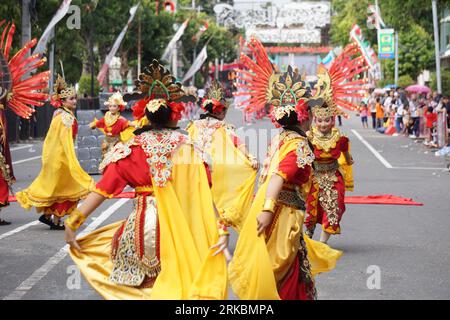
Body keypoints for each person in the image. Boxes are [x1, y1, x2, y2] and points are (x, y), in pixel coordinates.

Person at [64, 60, 228, 300]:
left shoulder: (130, 148)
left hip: (139, 232)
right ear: (174, 116)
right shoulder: (189, 150)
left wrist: (73, 222)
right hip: (179, 232)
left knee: (141, 292)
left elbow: (102, 189)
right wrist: (220, 229)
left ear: (144, 116)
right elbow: (205, 196)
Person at [228, 67, 342, 300]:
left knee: (289, 266)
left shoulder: (282, 138)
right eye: (310, 113)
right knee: (283, 268)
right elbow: (280, 175)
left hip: (285, 212)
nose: (313, 118)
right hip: (284, 215)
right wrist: (268, 210)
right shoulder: (298, 143)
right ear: (303, 116)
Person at [16, 75, 94, 230]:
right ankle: (55, 220)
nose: (74, 101)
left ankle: (49, 217)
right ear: (63, 101)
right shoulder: (65, 117)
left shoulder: (59, 113)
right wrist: (72, 160)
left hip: (55, 157)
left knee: (60, 189)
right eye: (71, 99)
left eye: (74, 98)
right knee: (67, 189)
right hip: (62, 158)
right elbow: (65, 141)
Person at [187, 81, 258, 231]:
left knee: (198, 205)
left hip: (194, 171)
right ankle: (218, 235)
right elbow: (238, 144)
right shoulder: (224, 127)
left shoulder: (194, 125)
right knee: (215, 206)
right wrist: (251, 157)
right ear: (220, 112)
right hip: (215, 172)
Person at [304, 71, 354, 244]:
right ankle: (307, 238)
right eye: (320, 120)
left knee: (334, 208)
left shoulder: (340, 139)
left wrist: (348, 161)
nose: (324, 124)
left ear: (333, 120)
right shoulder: (309, 137)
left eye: (327, 120)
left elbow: (347, 157)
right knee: (312, 210)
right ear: (315, 120)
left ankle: (322, 243)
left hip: (334, 178)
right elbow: (303, 158)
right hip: (314, 178)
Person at [90, 92, 136, 159]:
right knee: (105, 156)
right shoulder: (106, 116)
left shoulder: (120, 119)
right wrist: (94, 125)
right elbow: (100, 122)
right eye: (110, 106)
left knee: (115, 157)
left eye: (114, 106)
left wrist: (135, 125)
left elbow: (127, 123)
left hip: (116, 141)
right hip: (106, 140)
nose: (112, 108)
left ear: (118, 108)